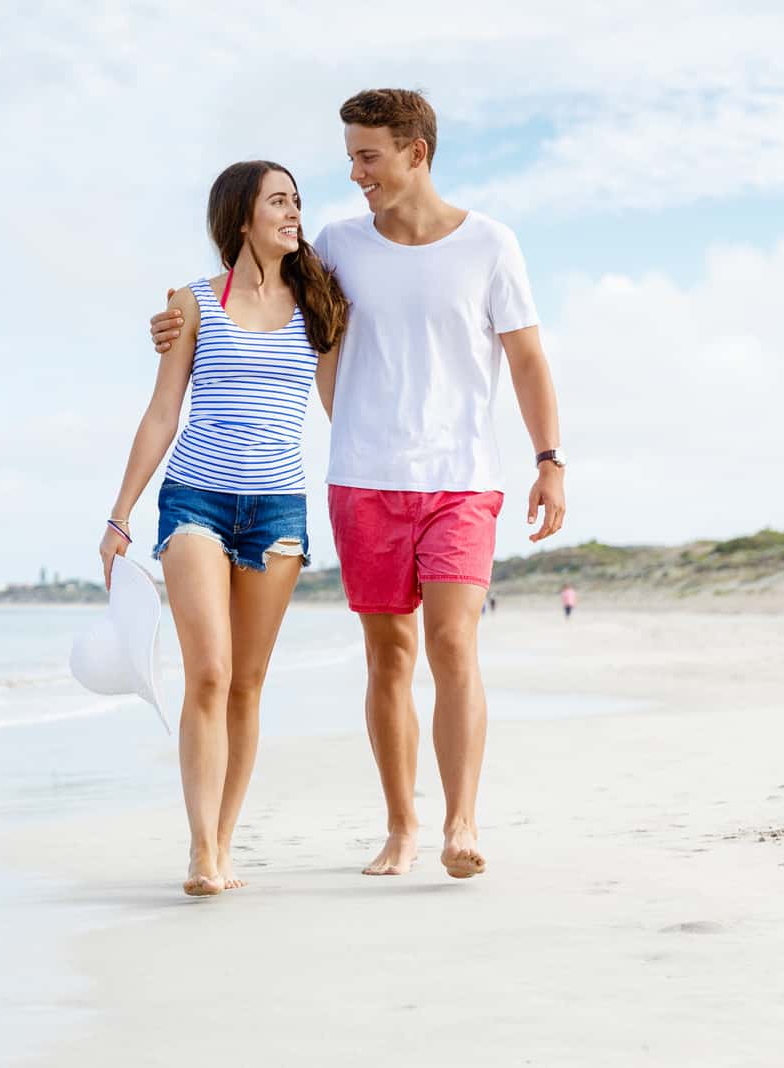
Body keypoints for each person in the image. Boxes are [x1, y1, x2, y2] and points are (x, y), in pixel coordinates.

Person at [152, 90, 566, 880]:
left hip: (462, 479)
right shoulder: (336, 247)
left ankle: (461, 823)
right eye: (349, 155)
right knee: (389, 655)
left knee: (452, 641)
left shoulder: (491, 245)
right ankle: (402, 826)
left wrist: (550, 459)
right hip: (364, 481)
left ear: (416, 152)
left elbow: (528, 359)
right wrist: (173, 320)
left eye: (367, 155)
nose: (354, 172)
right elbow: (250, 284)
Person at [102, 161, 347, 897]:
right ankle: (201, 849)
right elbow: (160, 413)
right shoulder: (193, 304)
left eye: (297, 201)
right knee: (207, 672)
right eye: (279, 201)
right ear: (242, 217)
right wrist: (120, 515)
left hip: (277, 510)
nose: (294, 213)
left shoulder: (319, 305)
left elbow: (345, 407)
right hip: (195, 502)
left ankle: (226, 840)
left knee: (247, 683)